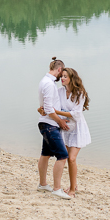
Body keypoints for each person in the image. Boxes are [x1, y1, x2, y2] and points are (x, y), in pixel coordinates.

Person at [38, 67, 90, 198]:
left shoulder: (80, 94)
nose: (62, 78)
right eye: (62, 76)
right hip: (64, 129)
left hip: (77, 129)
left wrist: (56, 112)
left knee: (71, 159)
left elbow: (76, 114)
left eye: (65, 76)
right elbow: (49, 106)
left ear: (72, 79)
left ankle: (72, 189)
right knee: (65, 158)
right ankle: (73, 184)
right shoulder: (59, 91)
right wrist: (43, 110)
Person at [37, 57, 72, 200]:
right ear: (59, 69)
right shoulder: (50, 84)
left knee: (45, 154)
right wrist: (61, 122)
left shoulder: (44, 82)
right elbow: (48, 109)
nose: (61, 76)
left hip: (45, 123)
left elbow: (45, 107)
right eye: (61, 73)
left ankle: (43, 184)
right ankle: (57, 188)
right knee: (63, 155)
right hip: (50, 125)